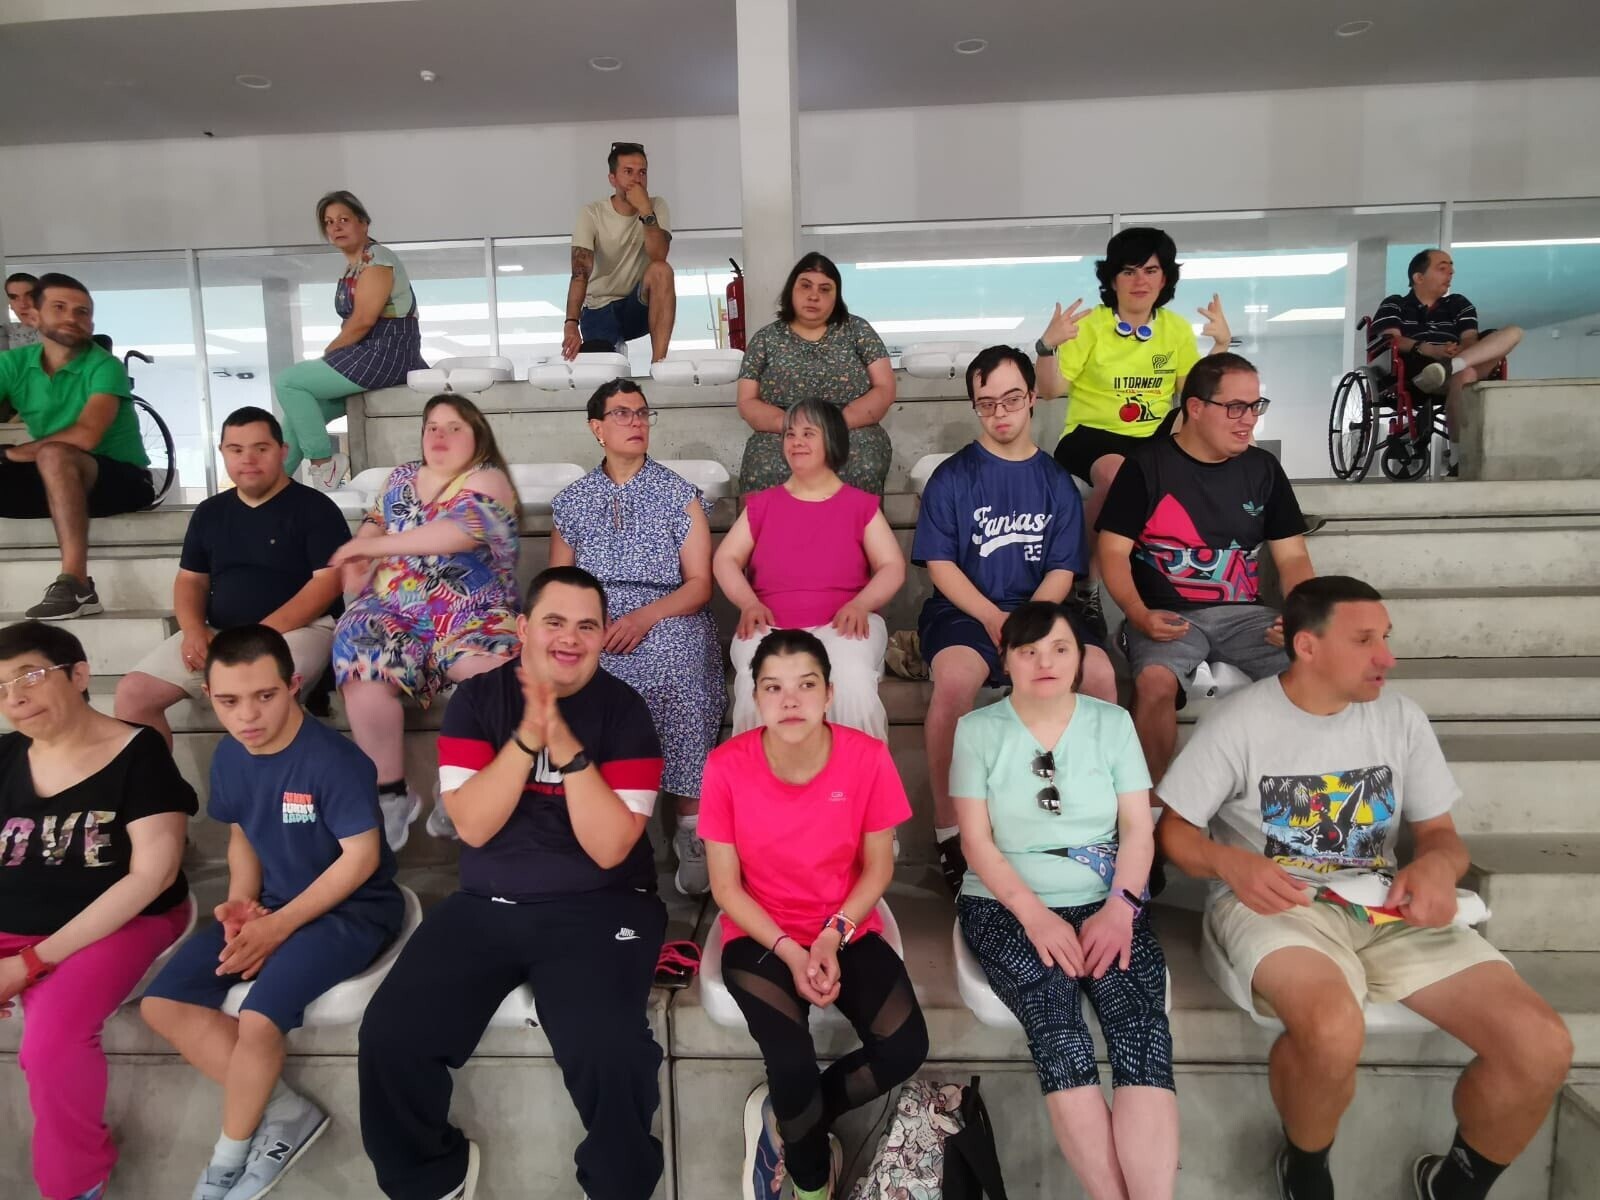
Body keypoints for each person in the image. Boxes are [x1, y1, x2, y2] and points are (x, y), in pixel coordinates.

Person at [1155, 576, 1572, 1200]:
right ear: (1307, 646)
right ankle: (1306, 1166)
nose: (1387, 657)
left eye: (1386, 638)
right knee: (1331, 1028)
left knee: (1541, 1046)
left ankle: (1456, 1185)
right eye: (1364, 640)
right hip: (1278, 905)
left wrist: (1436, 868)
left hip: (1385, 905)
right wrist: (1227, 863)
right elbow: (1174, 832)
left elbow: (1441, 836)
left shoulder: (1401, 718)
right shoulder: (1239, 721)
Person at [358, 566, 669, 1200]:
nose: (570, 638)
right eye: (555, 622)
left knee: (610, 1050)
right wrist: (528, 737)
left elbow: (610, 847)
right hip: (486, 905)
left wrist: (568, 747)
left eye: (587, 626)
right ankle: (432, 1180)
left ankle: (619, 1186)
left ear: (603, 634)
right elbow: (473, 825)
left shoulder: (625, 709)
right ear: (523, 628)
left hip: (601, 905)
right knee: (391, 1034)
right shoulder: (478, 702)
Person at [141, 625, 404, 1200]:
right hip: (274, 907)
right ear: (209, 696)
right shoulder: (230, 756)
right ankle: (283, 1110)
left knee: (259, 1018)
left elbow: (360, 860)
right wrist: (243, 905)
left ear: (292, 685)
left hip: (352, 911)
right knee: (162, 1003)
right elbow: (244, 835)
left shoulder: (334, 760)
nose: (247, 716)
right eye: (229, 701)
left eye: (264, 696)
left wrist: (278, 927)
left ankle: (226, 1160)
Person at [953, 602, 1174, 1200]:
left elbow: (1138, 829)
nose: (1044, 662)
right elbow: (975, 843)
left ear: (1080, 658)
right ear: (1006, 661)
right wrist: (1036, 918)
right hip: (1006, 905)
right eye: (1027, 651)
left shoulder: (1112, 723)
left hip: (1107, 898)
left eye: (1059, 648)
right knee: (1059, 1029)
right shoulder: (978, 730)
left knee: (1140, 1029)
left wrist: (1121, 908)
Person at [700, 628, 928, 1200]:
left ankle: (796, 1121)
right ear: (755, 696)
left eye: (806, 685)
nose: (790, 700)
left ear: (829, 693)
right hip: (759, 931)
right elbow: (725, 887)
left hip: (844, 924)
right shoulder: (726, 766)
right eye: (773, 687)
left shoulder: (866, 758)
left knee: (904, 1047)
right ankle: (809, 1184)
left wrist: (829, 938)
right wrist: (789, 950)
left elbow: (877, 868)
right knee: (790, 1063)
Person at [0, 619, 196, 1200]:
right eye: (1, 688)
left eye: (29, 677)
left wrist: (31, 962)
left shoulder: (139, 754)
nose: (15, 698)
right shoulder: (4, 756)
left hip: (119, 923)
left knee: (51, 1044)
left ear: (80, 675)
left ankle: (75, 1185)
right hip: (12, 924)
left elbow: (153, 875)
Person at [911, 345, 1116, 895]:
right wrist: (991, 616)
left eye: (1010, 399)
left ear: (1032, 398)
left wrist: (1026, 626)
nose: (999, 413)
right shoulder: (953, 477)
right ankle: (951, 830)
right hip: (964, 611)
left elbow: (1062, 570)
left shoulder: (1055, 481)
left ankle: (1094, 823)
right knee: (954, 685)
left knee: (1099, 675)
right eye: (986, 403)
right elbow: (941, 566)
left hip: (1043, 610)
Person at [1097, 352, 1315, 785]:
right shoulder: (1147, 465)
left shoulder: (1263, 469)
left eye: (1255, 406)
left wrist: (1301, 617)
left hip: (1246, 616)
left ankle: (1295, 796)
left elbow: (1293, 557)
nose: (1248, 419)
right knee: (1155, 683)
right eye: (1235, 407)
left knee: (1312, 664)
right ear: (1195, 408)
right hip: (1165, 614)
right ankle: (1149, 805)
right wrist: (1137, 613)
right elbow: (1112, 552)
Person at [550, 378, 724, 896]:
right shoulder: (573, 501)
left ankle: (691, 825)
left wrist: (644, 618)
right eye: (622, 414)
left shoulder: (679, 496)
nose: (636, 422)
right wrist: (589, 624)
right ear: (597, 428)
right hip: (592, 617)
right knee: (579, 671)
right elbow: (558, 588)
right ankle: (598, 823)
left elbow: (699, 585)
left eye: (642, 413)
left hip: (667, 612)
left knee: (681, 661)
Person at [330, 394, 520, 852]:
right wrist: (360, 554)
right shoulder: (400, 477)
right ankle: (391, 794)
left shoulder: (489, 479)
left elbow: (456, 532)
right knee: (361, 659)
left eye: (454, 427)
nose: (440, 435)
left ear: (478, 437)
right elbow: (376, 521)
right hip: (392, 611)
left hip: (473, 614)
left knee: (489, 677)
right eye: (432, 426)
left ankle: (460, 786)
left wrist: (371, 549)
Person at [113, 407, 350, 746]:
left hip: (301, 630)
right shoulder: (209, 512)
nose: (248, 459)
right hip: (219, 632)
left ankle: (273, 776)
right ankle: (156, 782)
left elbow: (328, 583)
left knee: (253, 685)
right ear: (222, 452)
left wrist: (256, 636)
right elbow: (191, 580)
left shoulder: (315, 508)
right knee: (133, 693)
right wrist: (193, 630)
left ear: (282, 451)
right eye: (236, 449)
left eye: (261, 448)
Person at [1034, 228, 1232, 620]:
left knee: (1203, 434)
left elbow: (1196, 395)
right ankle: (1084, 585)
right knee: (1118, 474)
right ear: (1112, 280)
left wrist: (1221, 347)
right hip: (1090, 436)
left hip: (1151, 438)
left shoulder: (1175, 329)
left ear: (1164, 278)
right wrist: (1047, 347)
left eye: (1150, 270)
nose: (1140, 281)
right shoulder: (1091, 326)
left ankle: (1190, 582)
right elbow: (1050, 390)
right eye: (1128, 271)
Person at [715, 398, 906, 741]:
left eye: (808, 433)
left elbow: (891, 566)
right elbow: (726, 559)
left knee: (851, 679)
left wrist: (861, 604)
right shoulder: (762, 504)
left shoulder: (860, 505)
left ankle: (860, 774)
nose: (796, 441)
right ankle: (758, 774)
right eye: (790, 434)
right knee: (755, 681)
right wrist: (748, 603)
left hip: (844, 624)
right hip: (769, 625)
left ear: (832, 439)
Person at [0, 273, 155, 620]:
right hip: (54, 479)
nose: (72, 317)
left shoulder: (104, 365)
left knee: (54, 454)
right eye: (60, 307)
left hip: (120, 481)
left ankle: (77, 585)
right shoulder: (11, 365)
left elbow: (86, 436)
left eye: (82, 311)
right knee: (51, 458)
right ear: (33, 316)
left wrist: (14, 453)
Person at [272, 191, 427, 489]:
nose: (336, 227)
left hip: (388, 351)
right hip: (369, 350)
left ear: (363, 223)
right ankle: (273, 487)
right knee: (300, 414)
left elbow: (363, 321)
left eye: (344, 219)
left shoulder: (377, 259)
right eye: (329, 222)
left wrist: (330, 354)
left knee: (289, 382)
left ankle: (323, 463)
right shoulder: (355, 265)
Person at [736, 253, 896, 495]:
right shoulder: (765, 338)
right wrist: (793, 427)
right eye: (805, 286)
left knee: (861, 466)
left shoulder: (858, 330)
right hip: (783, 431)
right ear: (791, 290)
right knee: (763, 471)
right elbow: (747, 400)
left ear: (836, 296)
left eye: (825, 289)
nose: (813, 296)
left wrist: (834, 425)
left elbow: (884, 388)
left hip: (849, 429)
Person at [1368, 249, 1524, 475]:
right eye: (1442, 268)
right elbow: (1392, 339)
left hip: (1459, 363)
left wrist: (1457, 352)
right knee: (1466, 376)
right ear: (1418, 277)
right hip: (1418, 372)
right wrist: (1430, 349)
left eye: (1451, 269)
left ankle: (1451, 367)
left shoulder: (1458, 303)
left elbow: (1469, 338)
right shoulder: (1395, 304)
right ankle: (1458, 458)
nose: (1450, 273)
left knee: (1514, 332)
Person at [562, 141, 676, 363]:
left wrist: (645, 210)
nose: (637, 179)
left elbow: (659, 255)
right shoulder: (592, 213)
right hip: (599, 308)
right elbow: (579, 274)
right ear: (612, 179)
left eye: (642, 172)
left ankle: (658, 363)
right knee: (605, 369)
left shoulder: (656, 206)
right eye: (628, 172)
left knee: (662, 270)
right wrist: (571, 323)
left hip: (638, 306)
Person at [5, 272, 43, 350]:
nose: (23, 305)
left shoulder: (63, 333)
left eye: (30, 296)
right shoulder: (5, 334)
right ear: (10, 304)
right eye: (14, 297)